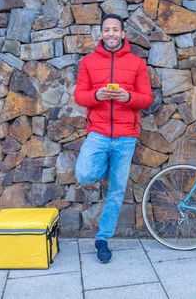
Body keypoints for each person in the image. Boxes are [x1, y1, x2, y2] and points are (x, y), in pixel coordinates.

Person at [73, 13, 153, 263]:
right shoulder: (88, 62)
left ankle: (102, 239)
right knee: (84, 174)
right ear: (101, 33)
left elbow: (146, 99)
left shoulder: (137, 64)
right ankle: (106, 164)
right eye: (106, 29)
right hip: (97, 133)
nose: (111, 33)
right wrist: (98, 95)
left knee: (116, 190)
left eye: (115, 29)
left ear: (122, 34)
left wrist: (127, 98)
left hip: (126, 136)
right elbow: (80, 96)